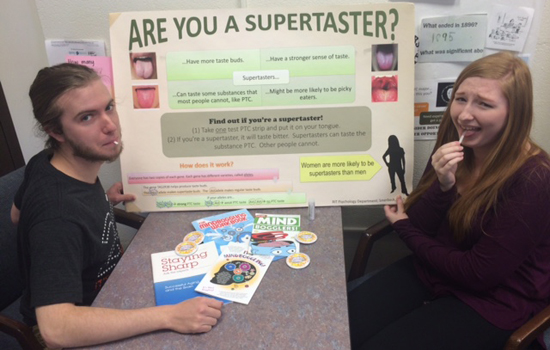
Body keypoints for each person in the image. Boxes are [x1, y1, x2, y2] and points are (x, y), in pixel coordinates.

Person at [11, 63, 223, 349]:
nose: (110, 124)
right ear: (56, 131)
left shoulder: (46, 162)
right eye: (87, 117)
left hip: (111, 291)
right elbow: (56, 329)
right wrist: (170, 316)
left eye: (109, 107)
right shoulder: (58, 218)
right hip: (76, 326)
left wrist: (100, 203)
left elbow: (16, 216)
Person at [348, 51, 550, 350]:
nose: (465, 115)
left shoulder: (534, 179)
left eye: (484, 104)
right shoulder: (456, 143)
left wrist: (404, 227)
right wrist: (442, 186)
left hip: (492, 297)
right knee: (339, 323)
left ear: (514, 113)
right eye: (460, 98)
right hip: (435, 269)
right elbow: (422, 226)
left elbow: (478, 275)